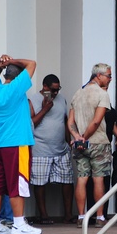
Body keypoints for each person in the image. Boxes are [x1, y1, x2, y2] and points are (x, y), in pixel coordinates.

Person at [0, 55, 42, 234]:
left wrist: (0, 65)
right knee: (18, 183)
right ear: (19, 77)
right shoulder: (17, 88)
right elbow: (32, 63)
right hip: (17, 143)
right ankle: (18, 223)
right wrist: (10, 61)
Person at [67, 64, 114, 228]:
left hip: (80, 144)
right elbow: (96, 121)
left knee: (81, 179)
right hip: (97, 142)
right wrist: (84, 138)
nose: (110, 79)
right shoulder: (102, 94)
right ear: (98, 76)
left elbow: (70, 122)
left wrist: (77, 138)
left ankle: (81, 216)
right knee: (98, 179)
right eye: (108, 75)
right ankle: (99, 217)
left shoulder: (78, 93)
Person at [29, 74, 72, 225]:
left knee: (67, 181)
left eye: (58, 89)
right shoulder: (32, 100)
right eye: (53, 90)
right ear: (45, 87)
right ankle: (44, 216)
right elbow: (30, 123)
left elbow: (65, 122)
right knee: (40, 183)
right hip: (41, 149)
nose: (55, 93)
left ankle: (68, 215)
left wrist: (69, 142)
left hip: (61, 149)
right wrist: (45, 108)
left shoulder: (62, 99)